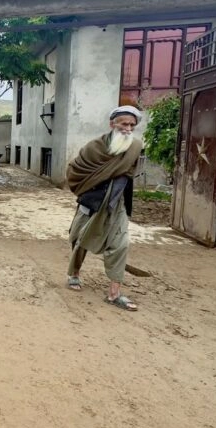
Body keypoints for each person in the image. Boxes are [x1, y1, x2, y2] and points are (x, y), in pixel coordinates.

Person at [65, 106, 144, 312]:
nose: (128, 128)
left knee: (121, 243)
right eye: (124, 124)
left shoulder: (135, 147)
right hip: (92, 201)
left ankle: (114, 293)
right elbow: (76, 170)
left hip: (117, 204)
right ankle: (74, 273)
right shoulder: (95, 147)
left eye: (132, 125)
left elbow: (130, 173)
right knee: (79, 238)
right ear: (112, 124)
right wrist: (89, 187)